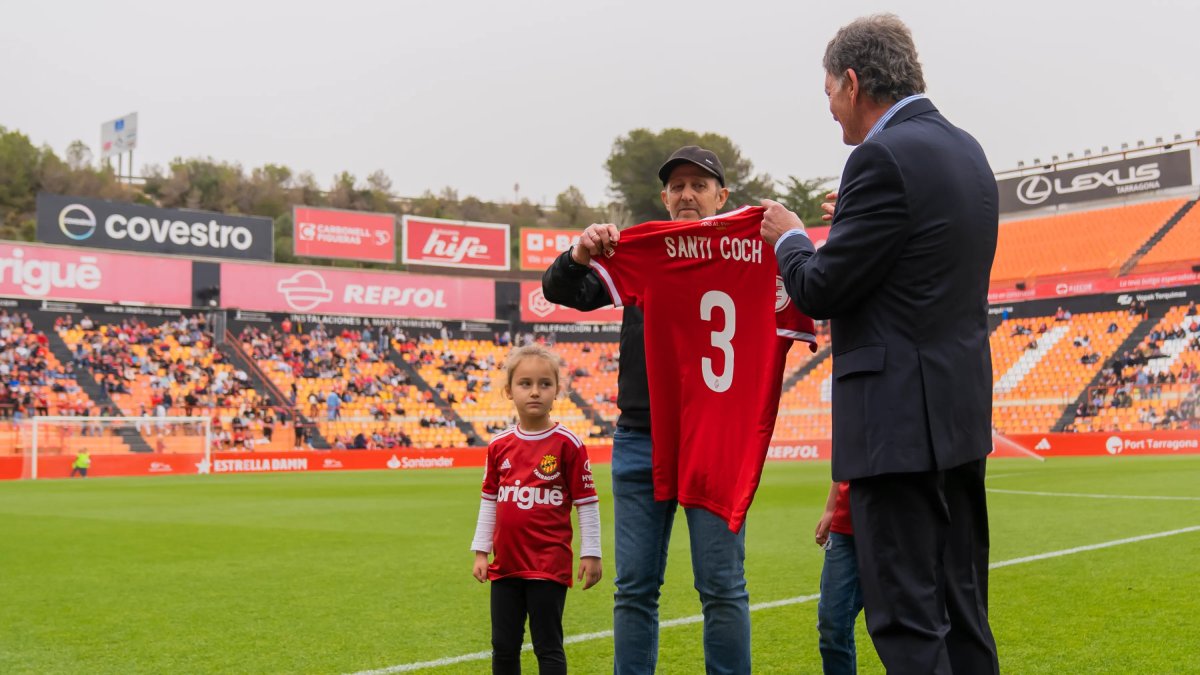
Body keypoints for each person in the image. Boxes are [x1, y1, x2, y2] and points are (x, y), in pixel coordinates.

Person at [760, 14, 1000, 674]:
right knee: (963, 611)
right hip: (958, 419)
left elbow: (821, 288)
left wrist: (789, 237)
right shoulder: (969, 151)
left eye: (831, 93)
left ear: (855, 81)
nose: (832, 112)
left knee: (904, 616)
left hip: (896, 430)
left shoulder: (879, 158)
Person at [542, 146, 755, 673]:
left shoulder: (753, 249)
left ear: (721, 196)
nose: (686, 194)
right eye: (677, 186)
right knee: (634, 587)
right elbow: (560, 289)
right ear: (663, 197)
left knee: (723, 586)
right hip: (641, 434)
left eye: (699, 185)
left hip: (714, 437)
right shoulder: (643, 250)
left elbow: (809, 286)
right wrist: (580, 253)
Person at [470, 345, 602, 675]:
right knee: (503, 646)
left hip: (548, 564)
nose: (534, 392)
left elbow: (586, 502)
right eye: (525, 383)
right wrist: (481, 552)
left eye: (544, 384)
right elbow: (490, 499)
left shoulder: (568, 443)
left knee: (547, 646)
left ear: (558, 390)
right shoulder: (498, 445)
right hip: (506, 566)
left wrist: (592, 553)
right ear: (509, 391)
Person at [815, 482, 862, 674]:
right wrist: (830, 508)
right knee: (832, 625)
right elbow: (842, 457)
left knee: (900, 628)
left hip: (895, 521)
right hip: (844, 524)